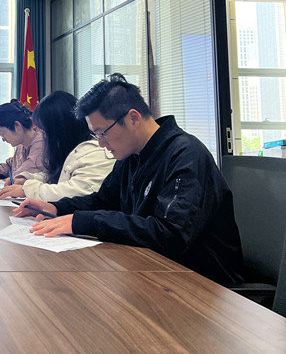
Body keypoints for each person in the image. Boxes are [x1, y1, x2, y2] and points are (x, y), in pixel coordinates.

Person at [15, 74, 244, 286]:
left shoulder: (186, 155)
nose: (101, 143)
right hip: (150, 273)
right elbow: (102, 201)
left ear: (133, 118)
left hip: (202, 285)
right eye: (96, 135)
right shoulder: (132, 155)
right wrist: (57, 207)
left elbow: (170, 235)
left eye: (102, 133)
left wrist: (86, 222)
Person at [0, 91, 114, 201]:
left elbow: (74, 191)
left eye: (45, 131)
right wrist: (26, 180)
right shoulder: (72, 149)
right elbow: (55, 176)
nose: (43, 137)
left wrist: (27, 190)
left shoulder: (95, 153)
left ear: (59, 131)